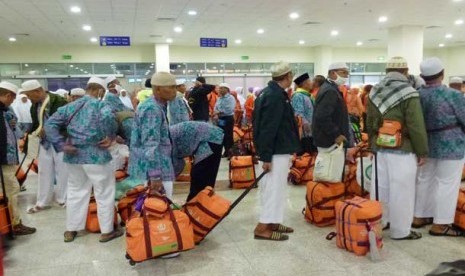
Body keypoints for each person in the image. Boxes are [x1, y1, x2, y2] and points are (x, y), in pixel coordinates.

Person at [45, 76, 122, 243]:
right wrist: (110, 136)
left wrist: (61, 144)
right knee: (104, 193)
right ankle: (107, 231)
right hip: (97, 155)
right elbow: (109, 119)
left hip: (74, 156)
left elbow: (49, 124)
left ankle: (72, 229)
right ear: (101, 90)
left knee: (75, 192)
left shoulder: (70, 106)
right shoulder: (101, 105)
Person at [366, 56, 428, 240]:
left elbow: (370, 122)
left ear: (386, 72)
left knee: (380, 188)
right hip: (403, 148)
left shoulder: (375, 91)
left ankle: (380, 222)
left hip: (380, 148)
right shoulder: (409, 92)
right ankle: (401, 231)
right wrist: (422, 151)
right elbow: (415, 124)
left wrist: (372, 145)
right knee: (403, 190)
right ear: (406, 72)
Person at [414, 57, 465, 237]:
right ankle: (441, 224)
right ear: (442, 74)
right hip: (451, 145)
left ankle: (420, 216)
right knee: (447, 184)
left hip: (425, 144)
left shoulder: (417, 95)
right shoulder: (454, 95)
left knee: (424, 179)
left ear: (423, 76)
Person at [253, 61, 300, 241]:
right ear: (287, 76)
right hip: (274, 152)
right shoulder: (274, 96)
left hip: (277, 150)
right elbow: (267, 128)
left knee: (277, 188)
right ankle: (263, 227)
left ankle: (273, 221)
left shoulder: (272, 93)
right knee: (272, 189)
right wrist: (265, 156)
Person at [128, 72, 177, 200]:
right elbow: (150, 144)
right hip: (153, 171)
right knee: (157, 212)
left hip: (156, 167)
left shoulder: (158, 105)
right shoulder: (152, 109)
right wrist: (155, 176)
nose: (174, 91)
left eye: (175, 87)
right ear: (158, 89)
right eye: (171, 87)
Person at [21, 80, 69, 212]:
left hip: (59, 141)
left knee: (63, 171)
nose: (29, 98)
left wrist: (51, 131)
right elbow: (36, 123)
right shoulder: (34, 105)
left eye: (30, 95)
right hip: (44, 142)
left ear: (38, 91)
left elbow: (67, 123)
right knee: (44, 171)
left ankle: (63, 199)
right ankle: (43, 201)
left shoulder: (59, 102)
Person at [0, 81, 36, 235]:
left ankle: (9, 222)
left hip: (7, 157)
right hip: (3, 158)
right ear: (8, 95)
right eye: (12, 98)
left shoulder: (4, 110)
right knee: (12, 189)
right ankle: (14, 224)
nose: (12, 101)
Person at [169, 121, 223, 201]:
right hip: (212, 136)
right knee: (202, 177)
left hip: (210, 139)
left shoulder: (166, 143)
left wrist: (167, 180)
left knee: (200, 176)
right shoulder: (166, 136)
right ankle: (199, 204)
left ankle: (196, 206)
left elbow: (178, 165)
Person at [312, 63, 352, 151]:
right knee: (331, 164)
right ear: (333, 73)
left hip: (330, 140)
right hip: (330, 142)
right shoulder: (330, 91)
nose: (346, 76)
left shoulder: (331, 88)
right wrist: (336, 134)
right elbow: (322, 117)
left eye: (347, 73)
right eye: (344, 73)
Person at [291, 73, 316, 154]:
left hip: (311, 131)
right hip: (305, 134)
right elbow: (298, 113)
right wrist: (305, 124)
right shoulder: (298, 96)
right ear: (305, 84)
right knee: (305, 157)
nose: (312, 83)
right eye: (310, 81)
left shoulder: (307, 96)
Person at [213, 83, 236, 158]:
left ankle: (230, 152)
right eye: (220, 88)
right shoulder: (219, 98)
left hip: (228, 118)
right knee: (222, 136)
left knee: (228, 136)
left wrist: (219, 112)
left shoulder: (230, 98)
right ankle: (225, 152)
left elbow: (230, 109)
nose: (220, 89)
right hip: (220, 119)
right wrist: (216, 114)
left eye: (222, 88)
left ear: (227, 89)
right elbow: (215, 107)